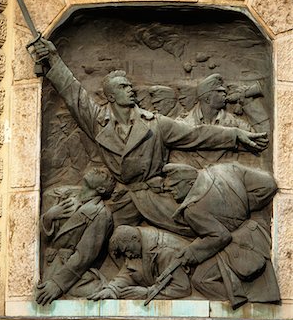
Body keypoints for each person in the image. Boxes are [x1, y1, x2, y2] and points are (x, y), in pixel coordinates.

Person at [32, 38, 268, 235]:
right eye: (124, 87)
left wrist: (235, 135)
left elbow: (196, 134)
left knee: (201, 230)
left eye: (129, 86)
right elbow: (74, 94)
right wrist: (53, 59)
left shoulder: (155, 123)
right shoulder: (98, 123)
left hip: (156, 197)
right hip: (125, 198)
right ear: (111, 97)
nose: (131, 89)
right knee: (90, 229)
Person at [162, 162, 280, 309]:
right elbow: (269, 184)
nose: (169, 190)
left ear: (189, 182)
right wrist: (243, 208)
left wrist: (190, 253)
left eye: (173, 186)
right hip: (259, 230)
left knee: (200, 280)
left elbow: (220, 237)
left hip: (239, 245)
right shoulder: (226, 168)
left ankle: (250, 299)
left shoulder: (192, 210)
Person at [36, 168, 115, 305]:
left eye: (103, 175)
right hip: (49, 263)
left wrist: (58, 284)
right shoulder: (67, 196)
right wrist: (49, 217)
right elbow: (46, 239)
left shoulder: (101, 214)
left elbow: (84, 256)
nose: (97, 170)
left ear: (101, 189)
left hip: (68, 274)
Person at [88, 225, 192, 301]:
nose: (128, 255)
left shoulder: (165, 251)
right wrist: (112, 289)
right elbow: (127, 273)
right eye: (124, 253)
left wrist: (147, 293)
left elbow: (182, 288)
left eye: (127, 250)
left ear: (135, 239)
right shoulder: (136, 248)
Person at [177, 73, 254, 167]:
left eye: (224, 91)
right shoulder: (183, 123)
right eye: (219, 91)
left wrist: (249, 103)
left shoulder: (235, 122)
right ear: (207, 98)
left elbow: (256, 141)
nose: (224, 94)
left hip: (227, 176)